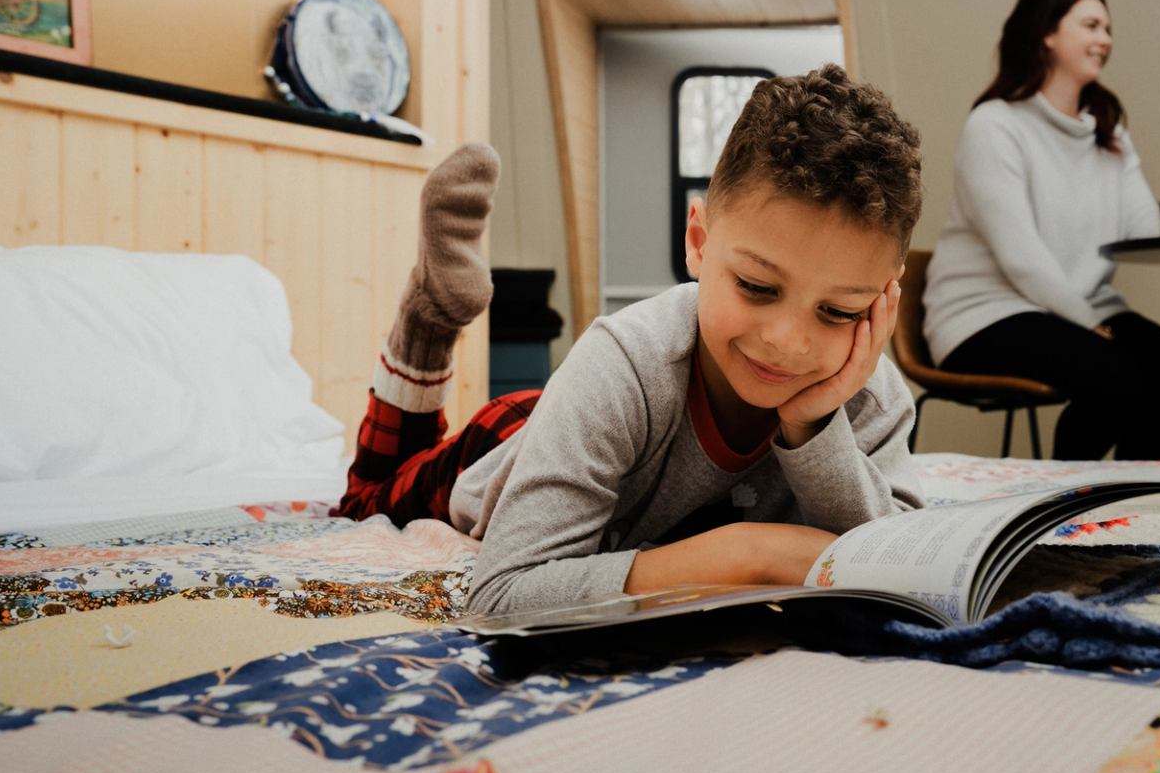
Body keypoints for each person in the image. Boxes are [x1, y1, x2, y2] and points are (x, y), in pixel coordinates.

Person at [336, 64, 925, 615]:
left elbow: (901, 565)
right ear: (697, 241)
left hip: (601, 432)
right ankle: (428, 321)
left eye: (838, 311)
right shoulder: (622, 361)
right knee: (362, 504)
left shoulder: (872, 397)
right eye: (755, 286)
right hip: (517, 438)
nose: (789, 342)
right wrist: (750, 556)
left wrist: (815, 426)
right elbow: (500, 595)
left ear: (883, 299)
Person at [923, 0, 1160, 460]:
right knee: (1115, 379)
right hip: (987, 313)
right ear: (1047, 33)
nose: (1106, 40)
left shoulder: (1106, 128)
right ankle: (1069, 520)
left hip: (1081, 308)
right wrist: (1091, 325)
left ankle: (1127, 502)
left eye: (1109, 29)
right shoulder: (994, 126)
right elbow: (1021, 258)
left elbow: (1140, 230)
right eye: (1092, 25)